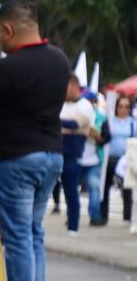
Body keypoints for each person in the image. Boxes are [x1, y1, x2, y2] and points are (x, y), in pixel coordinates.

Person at [0, 0, 71, 281]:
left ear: (8, 29)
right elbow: (26, 90)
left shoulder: (8, 68)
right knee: (34, 234)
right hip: (52, 156)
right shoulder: (60, 61)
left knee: (17, 237)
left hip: (16, 158)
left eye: (0, 36)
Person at [60, 76, 93, 236]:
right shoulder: (63, 105)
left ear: (73, 86)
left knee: (71, 190)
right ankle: (68, 219)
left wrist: (55, 121)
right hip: (58, 150)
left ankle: (73, 225)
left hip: (74, 152)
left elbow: (74, 125)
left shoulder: (85, 106)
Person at [102, 94, 135, 223]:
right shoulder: (110, 121)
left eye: (127, 106)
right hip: (110, 158)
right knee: (105, 187)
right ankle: (103, 215)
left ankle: (127, 217)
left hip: (125, 159)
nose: (124, 109)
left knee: (127, 188)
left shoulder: (133, 123)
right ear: (116, 107)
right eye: (121, 106)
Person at [80, 90, 109, 226]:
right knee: (72, 189)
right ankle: (72, 216)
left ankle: (95, 217)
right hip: (78, 157)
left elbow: (107, 137)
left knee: (94, 187)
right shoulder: (77, 114)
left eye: (89, 100)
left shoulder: (101, 117)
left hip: (94, 159)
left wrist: (98, 138)